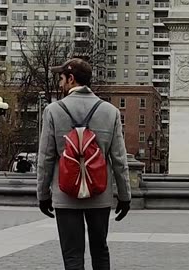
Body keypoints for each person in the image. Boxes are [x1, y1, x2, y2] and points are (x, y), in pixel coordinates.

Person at [36, 58, 131, 270]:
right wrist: (124, 196)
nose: (60, 84)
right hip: (100, 194)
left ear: (71, 79)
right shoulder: (110, 111)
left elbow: (46, 158)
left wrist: (43, 194)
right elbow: (119, 160)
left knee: (72, 257)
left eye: (61, 79)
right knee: (100, 251)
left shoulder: (53, 111)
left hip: (65, 194)